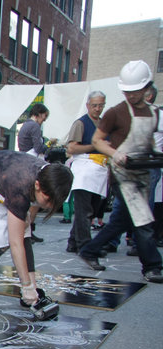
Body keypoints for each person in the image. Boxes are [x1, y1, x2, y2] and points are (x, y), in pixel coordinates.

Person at [78, 60, 163, 283]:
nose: (131, 95)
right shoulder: (115, 112)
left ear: (147, 88)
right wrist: (115, 153)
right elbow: (97, 141)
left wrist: (155, 154)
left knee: (122, 220)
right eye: (127, 91)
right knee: (143, 220)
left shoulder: (155, 113)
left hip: (144, 171)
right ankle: (153, 266)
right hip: (123, 173)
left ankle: (90, 250)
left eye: (135, 91)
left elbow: (150, 142)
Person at [0, 150, 73, 304]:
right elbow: (15, 243)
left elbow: (25, 229)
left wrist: (31, 286)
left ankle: (32, 288)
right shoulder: (21, 186)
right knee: (3, 237)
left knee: (24, 230)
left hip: (1, 177)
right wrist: (26, 286)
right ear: (38, 186)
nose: (50, 205)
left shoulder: (50, 176)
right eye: (48, 199)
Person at [64, 91, 109, 254]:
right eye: (94, 105)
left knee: (91, 208)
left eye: (100, 105)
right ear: (88, 105)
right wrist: (95, 146)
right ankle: (85, 245)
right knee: (84, 210)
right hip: (84, 169)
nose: (97, 109)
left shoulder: (104, 124)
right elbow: (72, 148)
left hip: (99, 170)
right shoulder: (81, 123)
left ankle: (73, 242)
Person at [18, 103, 57, 242]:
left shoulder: (25, 125)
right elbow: (39, 148)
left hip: (24, 161)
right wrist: (49, 143)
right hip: (33, 164)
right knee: (34, 199)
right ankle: (28, 230)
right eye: (44, 116)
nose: (44, 119)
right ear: (39, 113)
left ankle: (27, 230)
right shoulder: (34, 126)